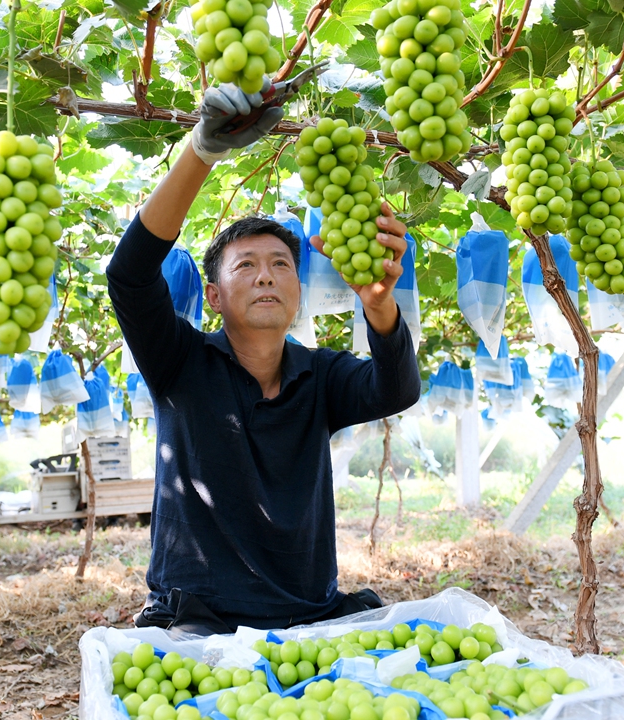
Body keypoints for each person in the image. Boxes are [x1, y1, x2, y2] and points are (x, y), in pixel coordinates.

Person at [106, 83, 422, 635]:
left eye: (280, 264)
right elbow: (129, 276)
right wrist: (203, 151)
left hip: (309, 617)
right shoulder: (179, 363)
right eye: (245, 265)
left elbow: (395, 390)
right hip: (198, 620)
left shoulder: (320, 374)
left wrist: (380, 307)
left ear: (298, 289)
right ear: (213, 296)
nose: (266, 275)